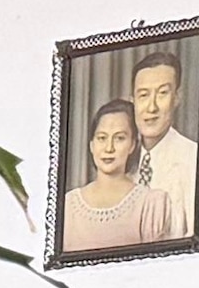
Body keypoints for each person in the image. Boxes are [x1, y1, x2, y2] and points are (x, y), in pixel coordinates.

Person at [61, 86, 178, 259]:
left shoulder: (151, 204)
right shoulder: (67, 205)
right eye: (102, 138)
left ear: (132, 145)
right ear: (92, 145)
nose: (109, 148)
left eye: (119, 138)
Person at [128, 53, 199, 243]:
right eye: (143, 95)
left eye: (162, 93)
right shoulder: (122, 160)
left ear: (176, 98)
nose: (151, 107)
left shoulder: (193, 159)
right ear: (132, 101)